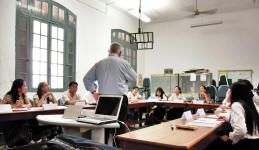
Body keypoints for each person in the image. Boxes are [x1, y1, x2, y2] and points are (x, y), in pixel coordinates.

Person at [83, 43, 137, 144]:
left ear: (109, 51)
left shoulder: (99, 63)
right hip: (119, 99)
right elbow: (134, 78)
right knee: (119, 126)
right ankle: (118, 147)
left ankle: (103, 146)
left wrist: (93, 92)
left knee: (104, 126)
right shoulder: (123, 63)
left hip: (103, 99)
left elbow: (86, 79)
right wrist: (124, 78)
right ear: (120, 52)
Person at [219, 82, 259, 150]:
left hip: (245, 144)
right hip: (255, 142)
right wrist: (230, 120)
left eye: (229, 91)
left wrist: (230, 137)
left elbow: (241, 130)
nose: (227, 94)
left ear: (235, 93)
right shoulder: (248, 104)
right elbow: (248, 121)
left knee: (216, 140)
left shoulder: (236, 105)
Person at [0, 79, 33, 147]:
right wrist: (15, 105)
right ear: (19, 88)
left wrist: (23, 105)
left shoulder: (23, 95)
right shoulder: (9, 95)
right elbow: (1, 106)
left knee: (27, 122)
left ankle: (25, 142)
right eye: (24, 86)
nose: (26, 87)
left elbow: (29, 105)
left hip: (20, 118)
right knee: (21, 124)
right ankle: (22, 142)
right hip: (9, 120)